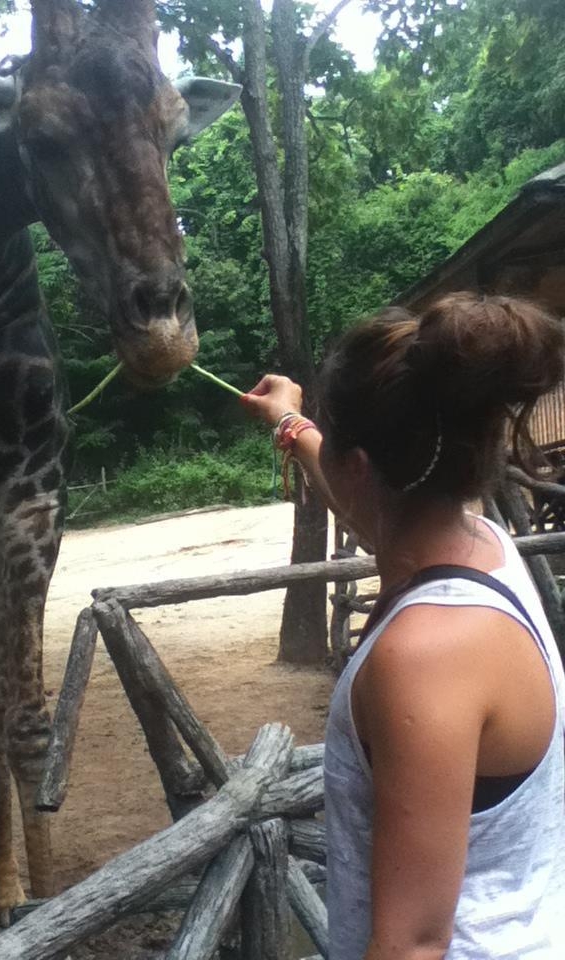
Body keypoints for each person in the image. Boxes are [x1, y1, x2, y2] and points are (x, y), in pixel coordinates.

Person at [241, 292, 565, 960]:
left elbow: (414, 943)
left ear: (358, 469)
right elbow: (379, 507)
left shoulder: (424, 656)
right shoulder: (484, 543)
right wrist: (293, 426)